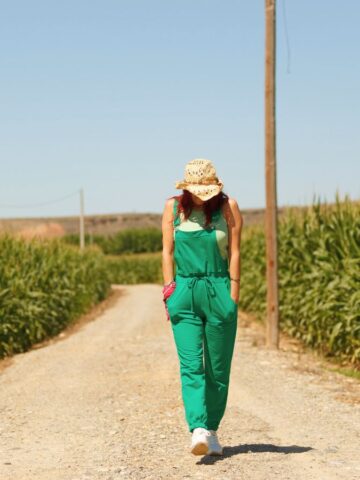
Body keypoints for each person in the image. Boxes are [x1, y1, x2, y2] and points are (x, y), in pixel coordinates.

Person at [161, 158, 243, 456]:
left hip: (219, 287)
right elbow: (167, 252)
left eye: (204, 190)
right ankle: (197, 428)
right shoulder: (173, 208)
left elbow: (235, 251)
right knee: (191, 365)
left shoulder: (227, 207)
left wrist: (232, 292)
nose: (199, 195)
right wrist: (170, 289)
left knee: (218, 369)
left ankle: (211, 428)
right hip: (184, 290)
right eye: (195, 190)